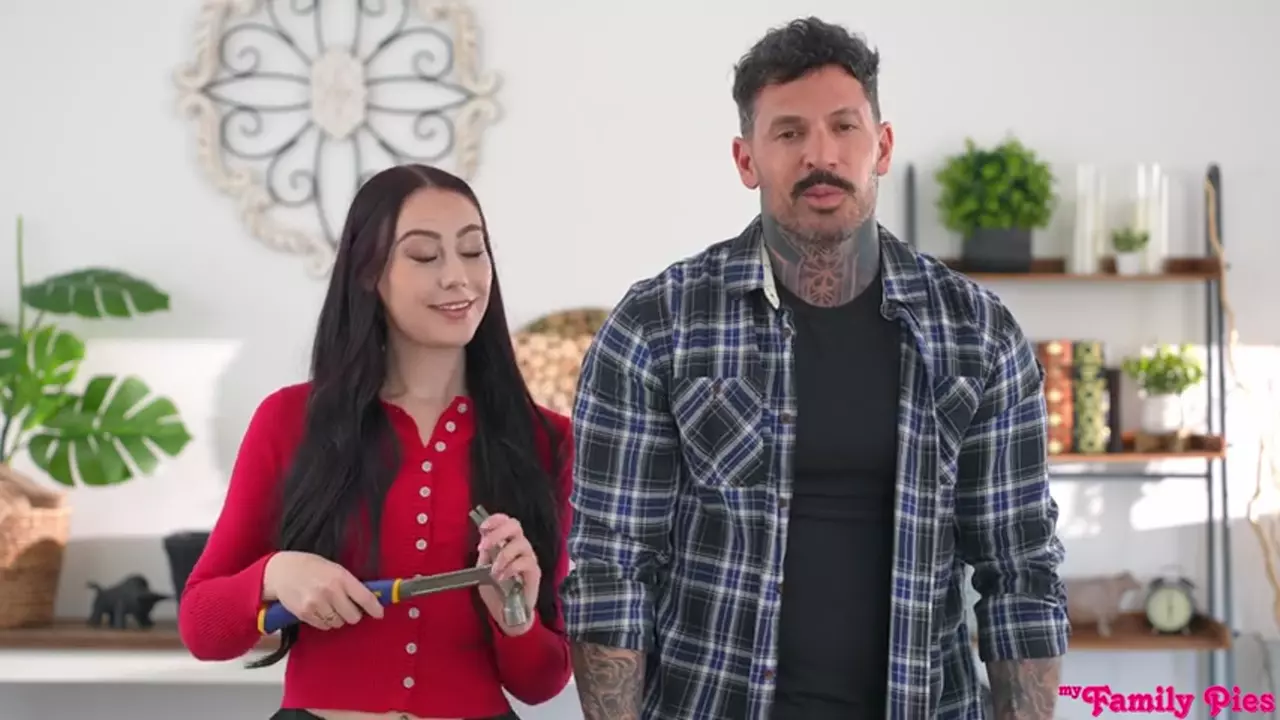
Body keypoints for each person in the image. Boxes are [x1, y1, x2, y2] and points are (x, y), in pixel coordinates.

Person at [560, 17, 1069, 720]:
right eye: (789, 132)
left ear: (881, 145)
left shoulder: (977, 334)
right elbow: (611, 570)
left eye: (843, 127)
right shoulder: (656, 326)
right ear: (746, 159)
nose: (819, 154)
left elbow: (1020, 571)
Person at [178, 164, 574, 719]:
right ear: (367, 272)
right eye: (424, 256)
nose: (458, 277)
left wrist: (513, 614)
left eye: (472, 250)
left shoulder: (548, 440)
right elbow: (202, 628)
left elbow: (543, 682)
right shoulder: (289, 420)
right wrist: (276, 574)